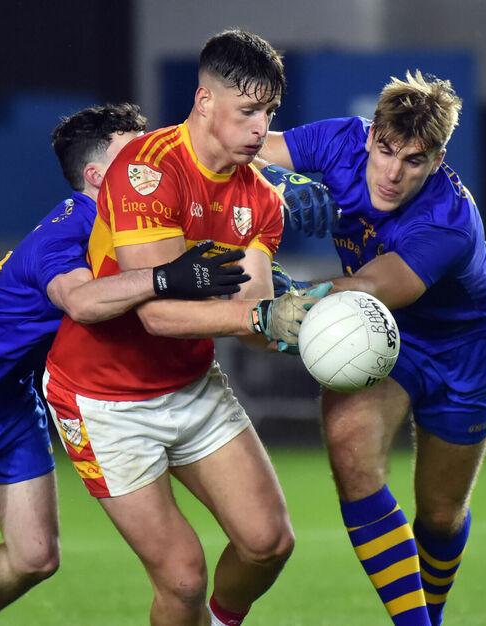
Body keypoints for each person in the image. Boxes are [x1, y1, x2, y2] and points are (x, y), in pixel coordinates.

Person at [0, 102, 253, 626]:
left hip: (11, 401)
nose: (153, 161)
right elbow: (81, 302)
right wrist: (170, 277)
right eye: (136, 154)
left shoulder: (137, 225)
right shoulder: (66, 230)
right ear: (96, 175)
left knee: (35, 557)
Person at [42, 29, 330, 626]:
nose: (261, 128)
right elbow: (158, 313)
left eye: (270, 112)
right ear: (203, 102)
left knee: (269, 543)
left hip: (191, 385)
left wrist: (307, 325)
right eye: (248, 110)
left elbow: (254, 316)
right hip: (103, 400)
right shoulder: (146, 170)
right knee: (182, 578)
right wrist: (259, 315)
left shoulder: (263, 201)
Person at [258, 70, 486, 626]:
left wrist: (282, 298)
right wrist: (272, 183)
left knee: (440, 516)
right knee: (350, 450)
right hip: (376, 336)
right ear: (370, 134)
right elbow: (245, 152)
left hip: (463, 349)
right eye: (386, 150)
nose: (392, 173)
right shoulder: (337, 140)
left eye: (414, 161)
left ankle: (430, 616)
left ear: (438, 161)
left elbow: (373, 286)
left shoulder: (449, 222)